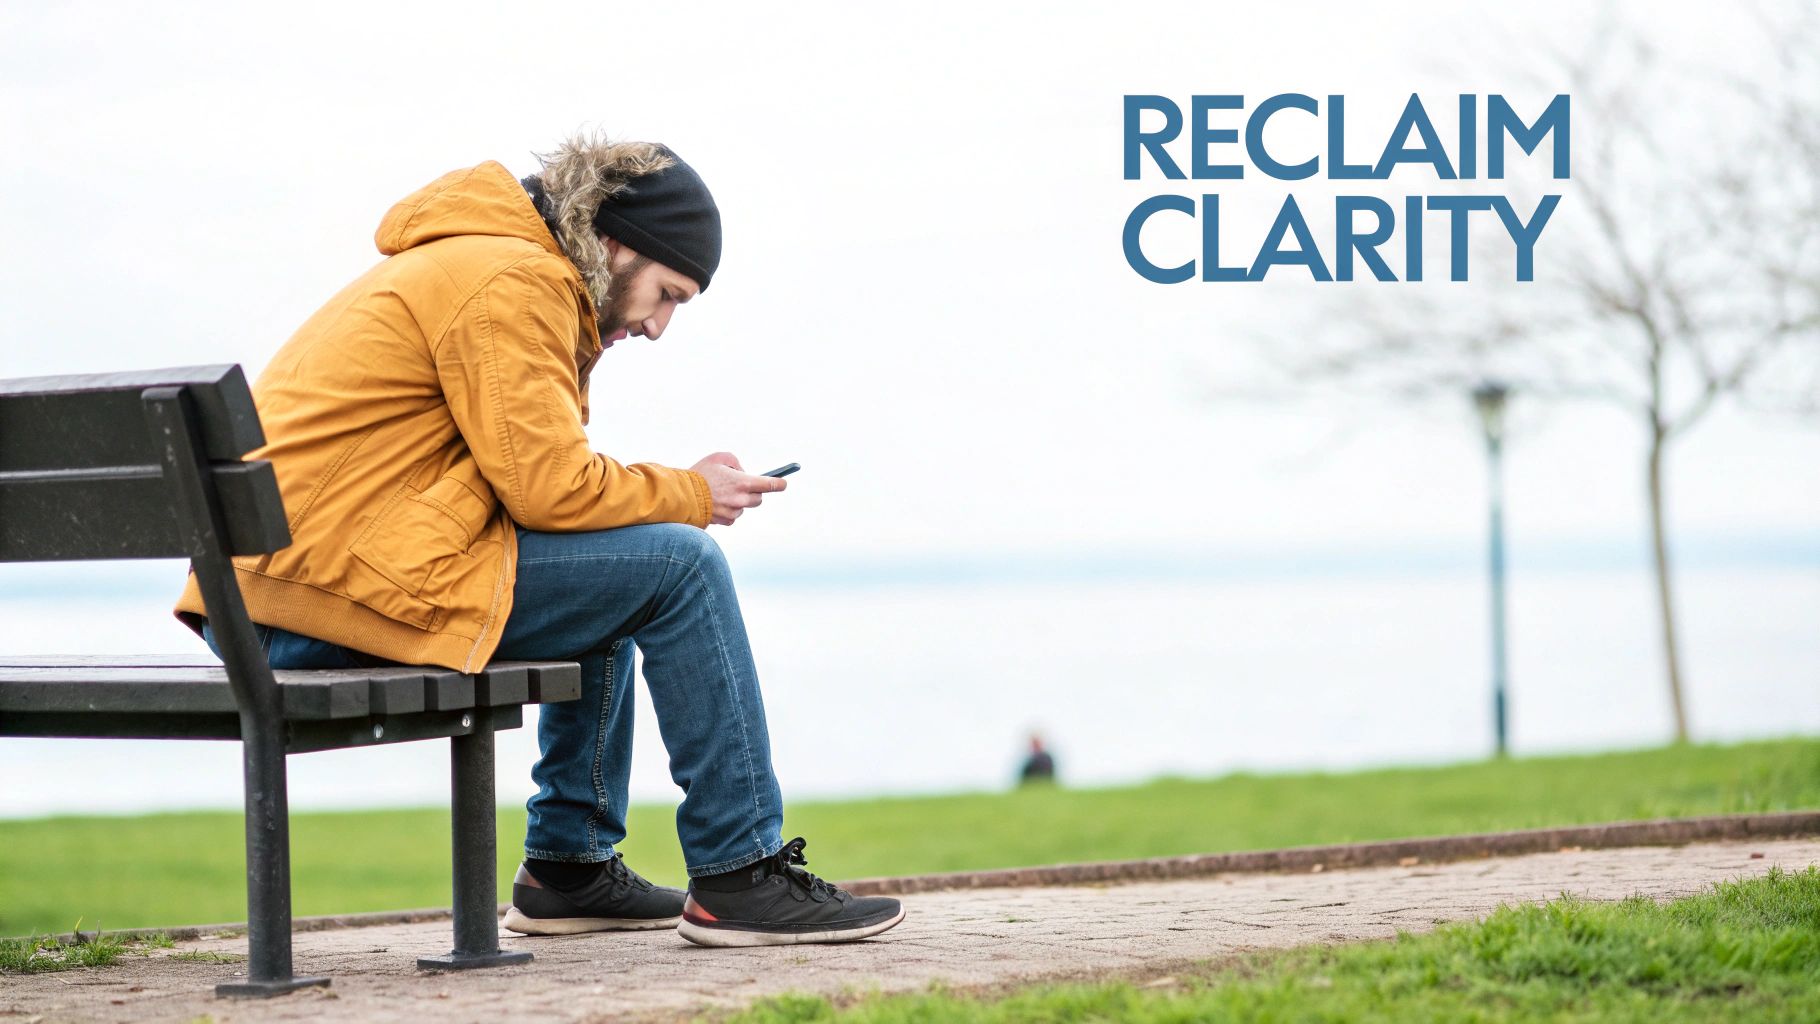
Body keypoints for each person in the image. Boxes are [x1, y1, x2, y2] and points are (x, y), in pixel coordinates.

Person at [171, 131, 904, 947]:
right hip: (311, 606)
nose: (661, 326)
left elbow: (546, 495)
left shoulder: (481, 260)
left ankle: (570, 868)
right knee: (681, 565)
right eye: (668, 294)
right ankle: (741, 873)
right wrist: (693, 495)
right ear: (616, 244)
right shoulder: (514, 278)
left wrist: (664, 496)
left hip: (292, 592)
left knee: (623, 566)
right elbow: (553, 490)